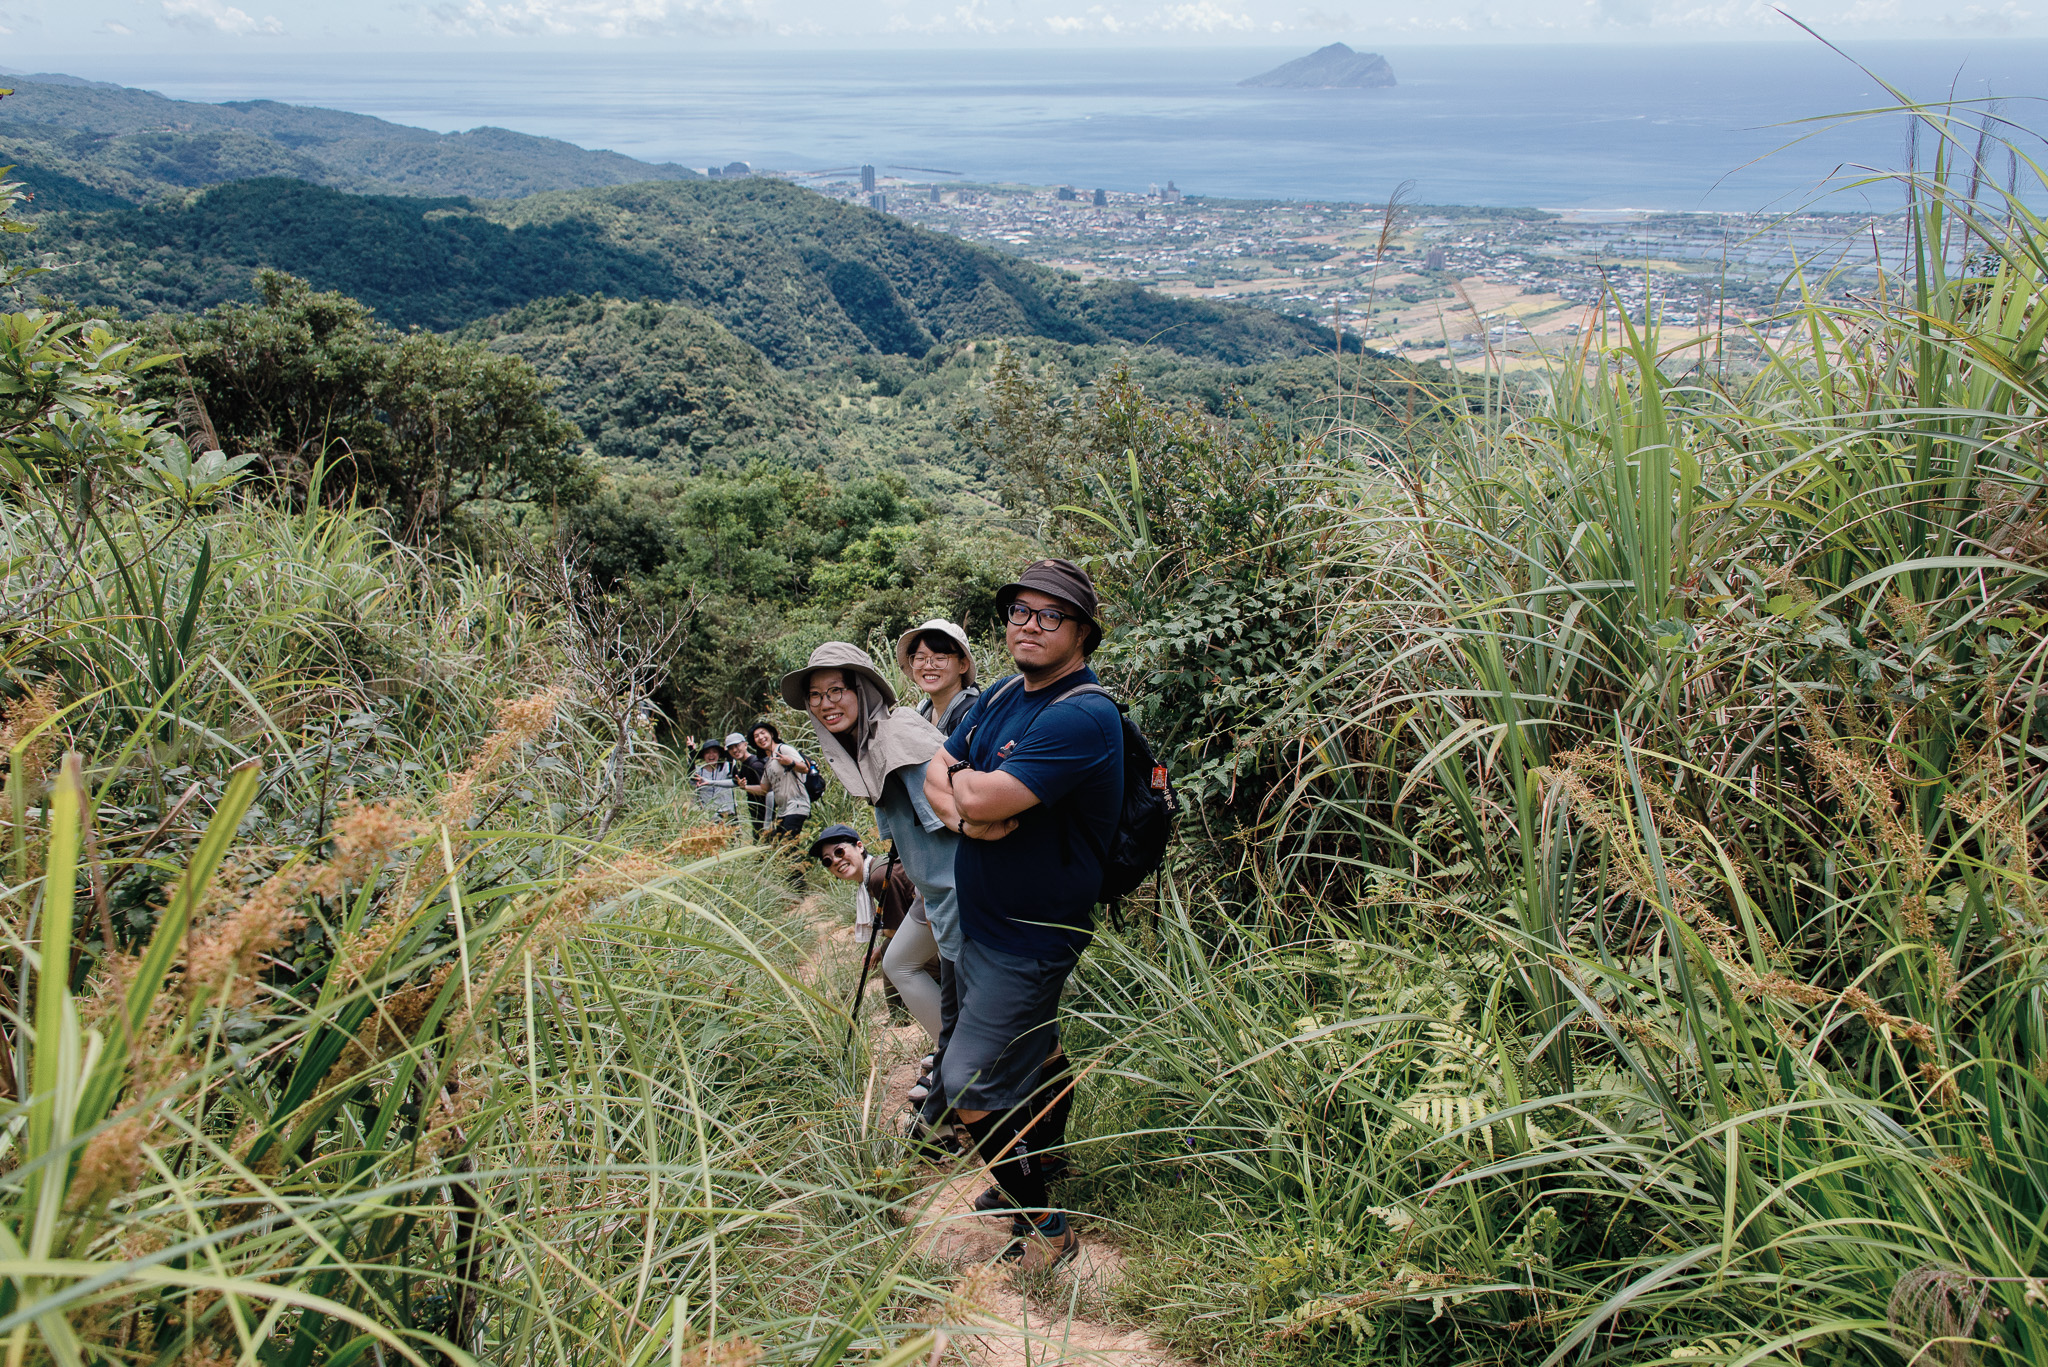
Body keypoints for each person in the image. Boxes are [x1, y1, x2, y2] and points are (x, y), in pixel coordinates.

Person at [923, 559, 1121, 1270]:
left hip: (1031, 936)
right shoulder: (1006, 692)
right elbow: (937, 774)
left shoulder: (1083, 714)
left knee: (969, 1083)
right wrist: (972, 818)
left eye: (1050, 616)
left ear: (1083, 633)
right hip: (984, 921)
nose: (1029, 626)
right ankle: (1047, 1160)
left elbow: (968, 791)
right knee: (1037, 1051)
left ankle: (1045, 1227)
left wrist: (968, 802)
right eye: (1019, 612)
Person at [782, 643, 960, 1073]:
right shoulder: (868, 745)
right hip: (933, 893)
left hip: (962, 892)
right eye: (816, 696)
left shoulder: (895, 736)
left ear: (861, 689)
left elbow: (960, 822)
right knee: (899, 962)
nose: (826, 704)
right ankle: (954, 1055)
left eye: (836, 690)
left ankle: (964, 1066)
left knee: (970, 1002)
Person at [808, 823, 943, 1054]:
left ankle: (916, 1017)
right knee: (889, 954)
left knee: (896, 960)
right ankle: (900, 1014)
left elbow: (901, 932)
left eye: (839, 851)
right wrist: (881, 949)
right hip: (934, 924)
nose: (836, 861)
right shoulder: (877, 871)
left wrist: (883, 949)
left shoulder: (879, 876)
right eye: (828, 861)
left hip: (939, 931)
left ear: (859, 847)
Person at [895, 619, 981, 737]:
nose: (929, 666)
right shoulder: (923, 711)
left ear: (963, 665)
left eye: (940, 658)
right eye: (920, 658)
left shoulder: (972, 718)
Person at [739, 720, 811, 841]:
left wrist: (791, 762)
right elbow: (763, 789)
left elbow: (805, 768)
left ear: (771, 734)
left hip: (797, 805)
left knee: (788, 847)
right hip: (783, 812)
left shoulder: (784, 749)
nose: (761, 737)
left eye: (763, 733)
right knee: (781, 850)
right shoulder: (768, 763)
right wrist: (745, 787)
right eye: (756, 736)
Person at [690, 738, 737, 822]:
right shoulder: (699, 771)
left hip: (727, 811)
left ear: (719, 754)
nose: (711, 755)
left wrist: (728, 752)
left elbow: (733, 777)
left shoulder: (725, 767)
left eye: (714, 752)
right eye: (707, 752)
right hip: (708, 813)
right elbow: (691, 779)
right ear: (703, 756)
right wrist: (691, 751)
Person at [723, 732, 758, 830]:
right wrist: (709, 782)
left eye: (737, 746)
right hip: (755, 811)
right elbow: (734, 782)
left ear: (745, 744)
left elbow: (768, 791)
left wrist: (768, 820)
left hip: (766, 813)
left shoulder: (755, 764)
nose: (734, 750)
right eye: (730, 748)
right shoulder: (745, 765)